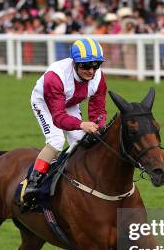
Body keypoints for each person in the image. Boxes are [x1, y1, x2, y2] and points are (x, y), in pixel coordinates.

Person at [23, 37, 108, 207]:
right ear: (74, 63)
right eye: (85, 65)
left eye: (96, 65)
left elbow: (98, 111)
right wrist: (81, 124)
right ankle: (33, 184)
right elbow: (59, 118)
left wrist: (98, 125)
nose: (91, 71)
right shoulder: (56, 77)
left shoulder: (99, 78)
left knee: (81, 141)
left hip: (70, 102)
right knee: (56, 142)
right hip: (45, 103)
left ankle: (70, 177)